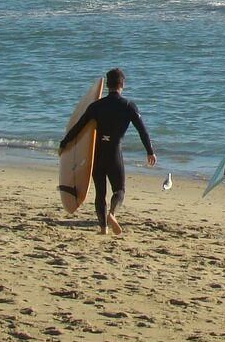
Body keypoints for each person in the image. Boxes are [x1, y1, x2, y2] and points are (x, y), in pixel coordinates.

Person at [59, 68, 157, 236]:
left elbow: (79, 126)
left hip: (98, 154)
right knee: (119, 190)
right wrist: (150, 151)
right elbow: (143, 131)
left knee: (100, 193)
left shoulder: (96, 106)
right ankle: (112, 213)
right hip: (114, 154)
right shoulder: (128, 106)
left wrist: (64, 143)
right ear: (122, 84)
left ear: (108, 85)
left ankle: (103, 228)